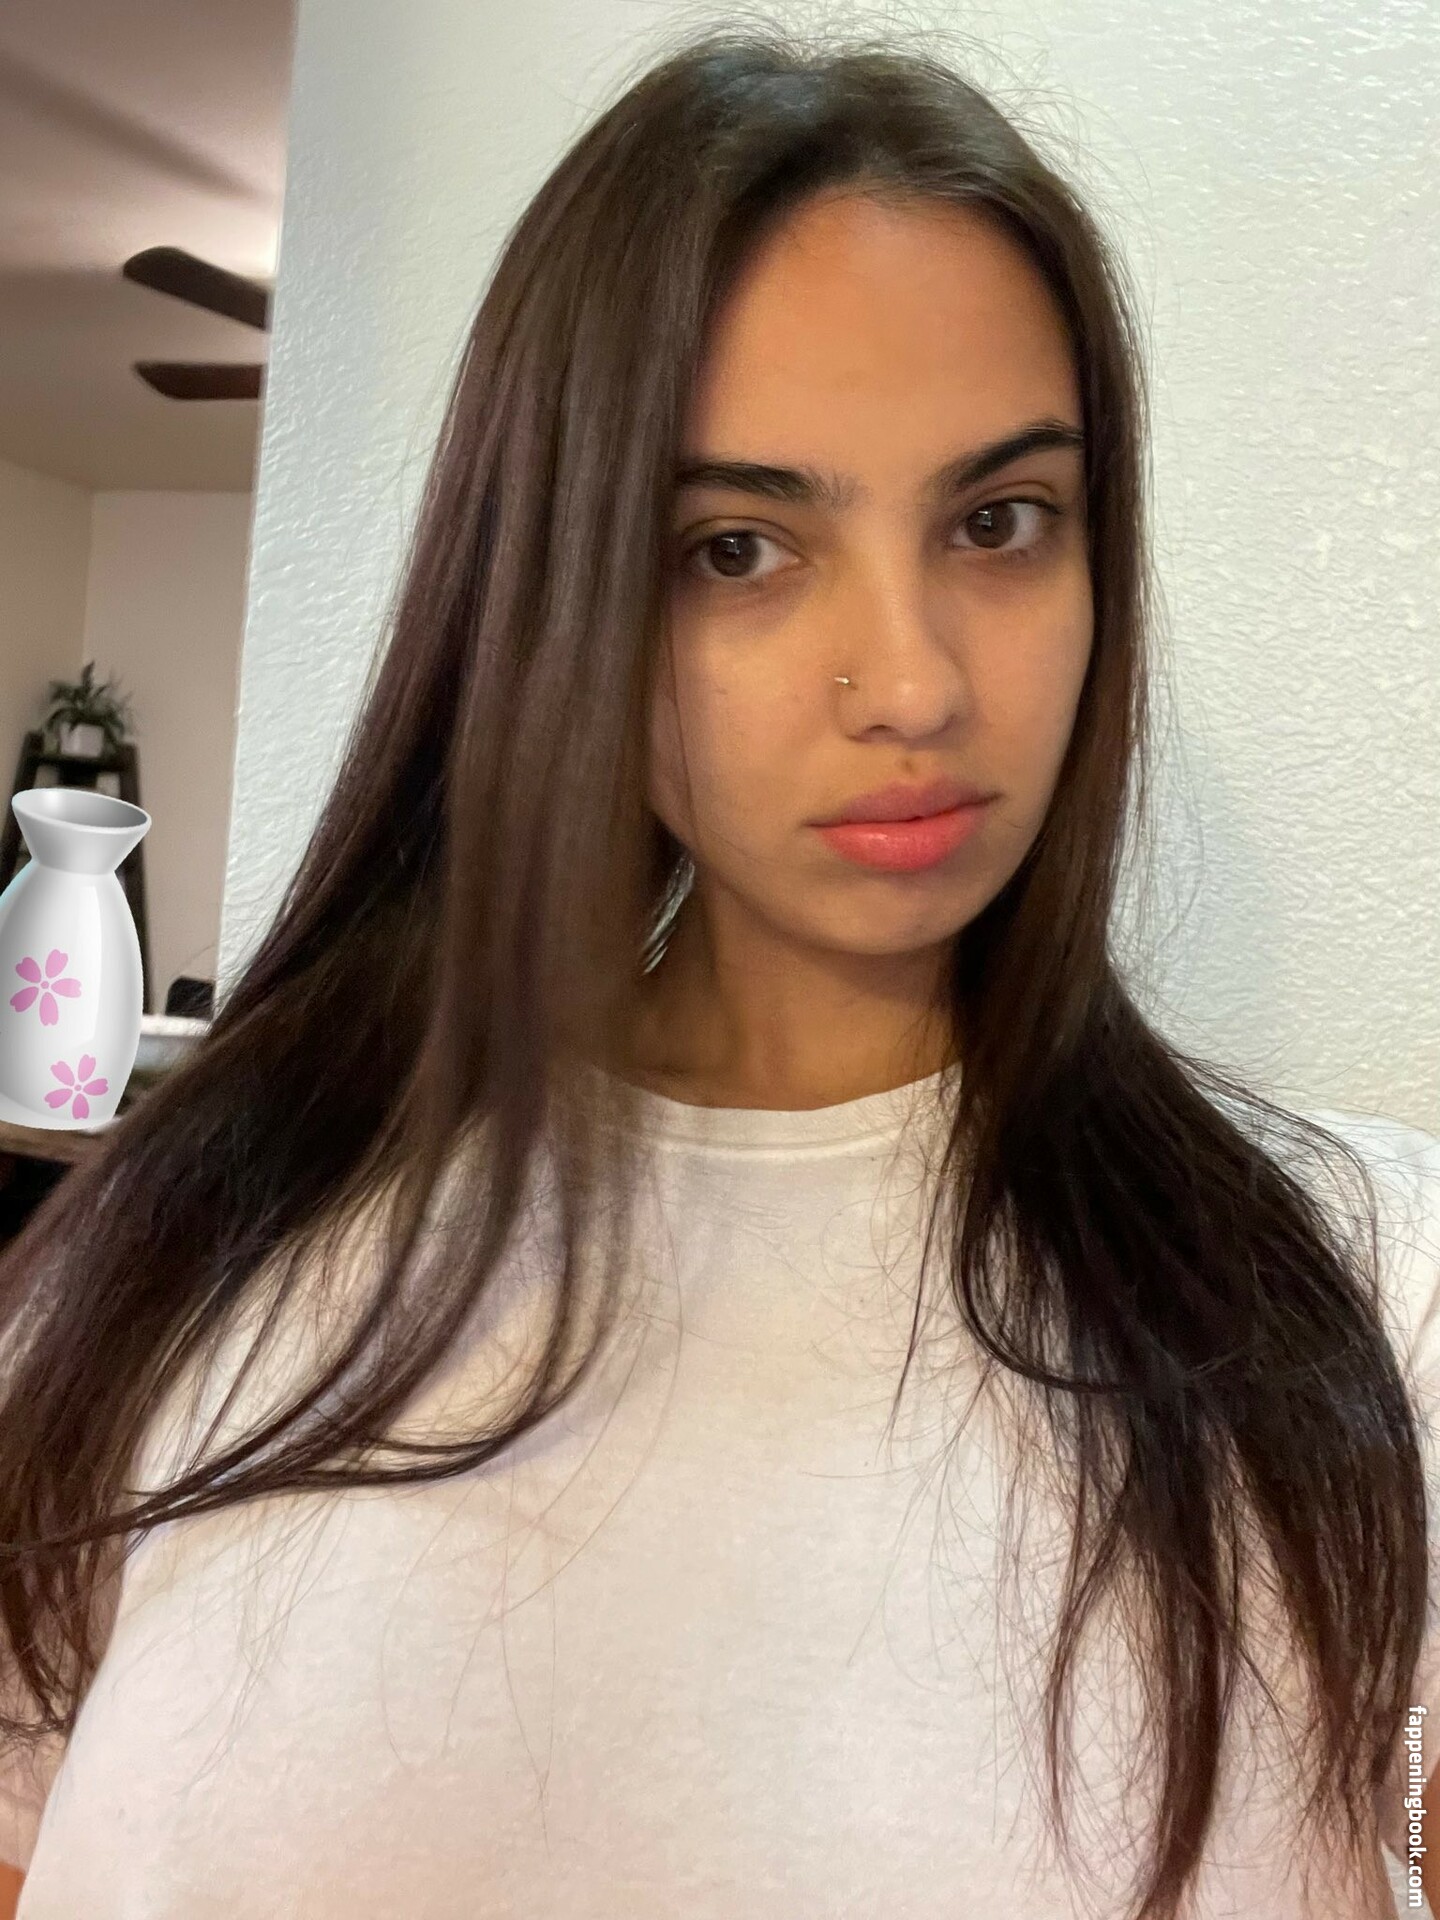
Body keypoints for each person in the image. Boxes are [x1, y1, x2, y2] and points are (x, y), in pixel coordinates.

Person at [0, 24, 1436, 1920]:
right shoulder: (176, 1265)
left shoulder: (1370, 1297)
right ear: (560, 593)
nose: (912, 683)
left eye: (1000, 522)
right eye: (739, 547)